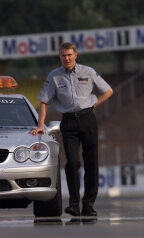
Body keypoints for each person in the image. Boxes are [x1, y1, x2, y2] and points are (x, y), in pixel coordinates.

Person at [30, 42, 113, 217]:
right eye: (63, 55)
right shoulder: (54, 76)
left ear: (76, 55)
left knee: (91, 163)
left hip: (88, 119)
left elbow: (108, 90)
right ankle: (74, 205)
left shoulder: (88, 72)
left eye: (69, 55)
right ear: (59, 57)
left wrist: (93, 105)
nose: (66, 58)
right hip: (68, 123)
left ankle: (89, 205)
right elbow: (44, 101)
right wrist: (40, 126)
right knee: (73, 162)